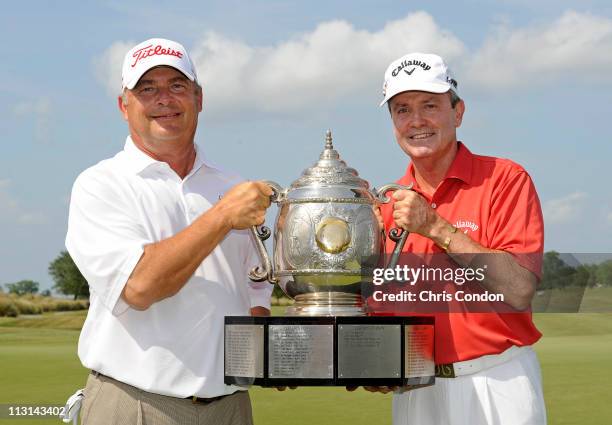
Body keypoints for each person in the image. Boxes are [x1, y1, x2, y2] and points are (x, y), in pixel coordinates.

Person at [64, 38, 273, 425]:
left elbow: (256, 287)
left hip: (230, 407)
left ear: (199, 97)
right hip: (136, 405)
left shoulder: (231, 184)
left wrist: (272, 352)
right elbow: (140, 287)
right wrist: (222, 215)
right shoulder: (100, 184)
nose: (164, 98)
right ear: (123, 105)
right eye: (147, 89)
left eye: (177, 86)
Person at [371, 52, 547, 425]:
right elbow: (382, 312)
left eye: (429, 105)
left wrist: (437, 228)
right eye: (402, 109)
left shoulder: (504, 179)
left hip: (497, 380)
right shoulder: (386, 205)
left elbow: (518, 289)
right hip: (417, 389)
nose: (416, 121)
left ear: (458, 112)